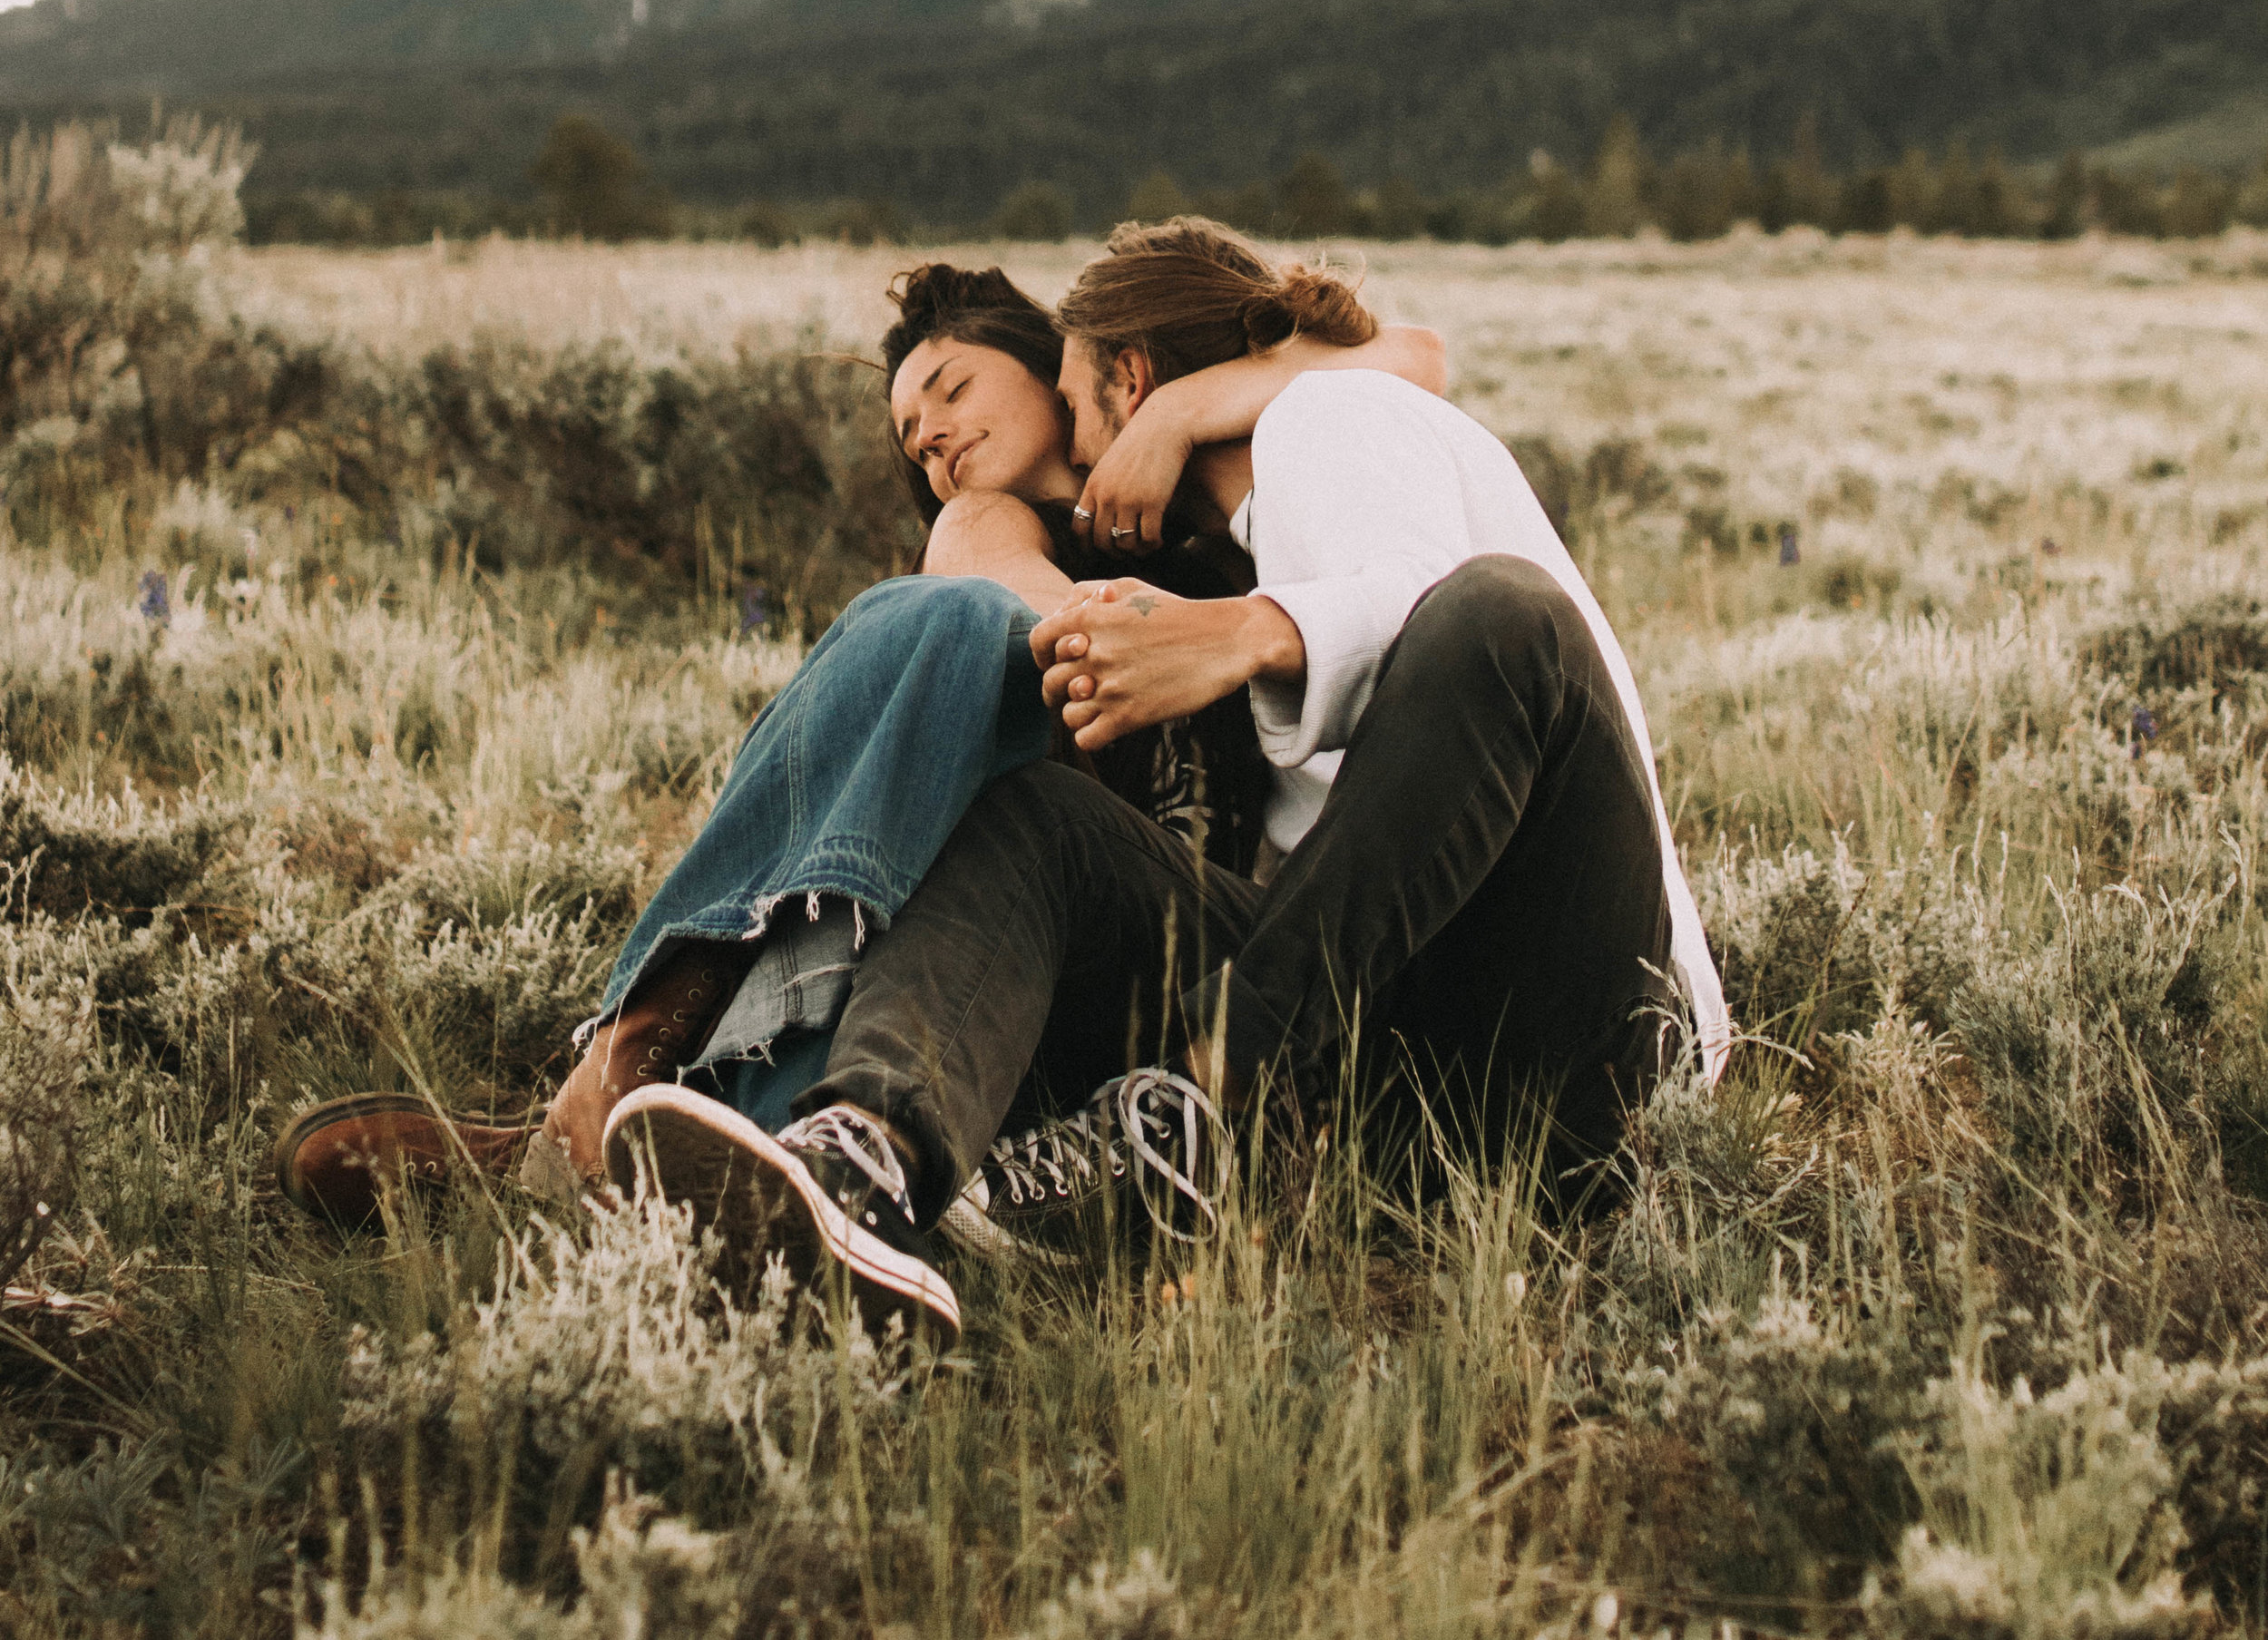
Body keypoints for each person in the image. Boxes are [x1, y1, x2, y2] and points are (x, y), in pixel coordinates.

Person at [599, 220, 1728, 1343]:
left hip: (1584, 1052)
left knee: (1505, 611)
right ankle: (859, 1166)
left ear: (1129, 378)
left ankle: (1198, 1104)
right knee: (1038, 826)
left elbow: (1460, 627)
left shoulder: (1327, 421)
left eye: (1079, 406)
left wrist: (1249, 630)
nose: (1084, 455)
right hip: (1388, 1094)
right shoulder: (1210, 550)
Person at [271, 249, 1445, 1314]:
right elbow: (1037, 609)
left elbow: (1411, 357)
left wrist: (1182, 411)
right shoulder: (987, 526)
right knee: (946, 637)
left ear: (1065, 372)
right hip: (1003, 1003)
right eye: (906, 427)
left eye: (949, 387)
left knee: (945, 665)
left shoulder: (1226, 499)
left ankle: (604, 1127)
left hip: (1196, 992)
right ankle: (675, 1109)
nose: (926, 432)